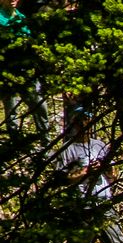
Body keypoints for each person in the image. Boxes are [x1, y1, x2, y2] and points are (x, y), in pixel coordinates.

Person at [56, 107, 123, 243]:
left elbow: (112, 176)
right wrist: (86, 171)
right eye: (80, 121)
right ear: (74, 123)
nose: (84, 124)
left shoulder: (99, 145)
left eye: (87, 120)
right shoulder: (68, 149)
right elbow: (62, 179)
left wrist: (106, 167)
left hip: (105, 205)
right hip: (83, 209)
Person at [0, 0, 49, 140]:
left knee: (39, 105)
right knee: (11, 109)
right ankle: (16, 142)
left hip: (26, 70)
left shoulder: (21, 17)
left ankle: (45, 141)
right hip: (8, 71)